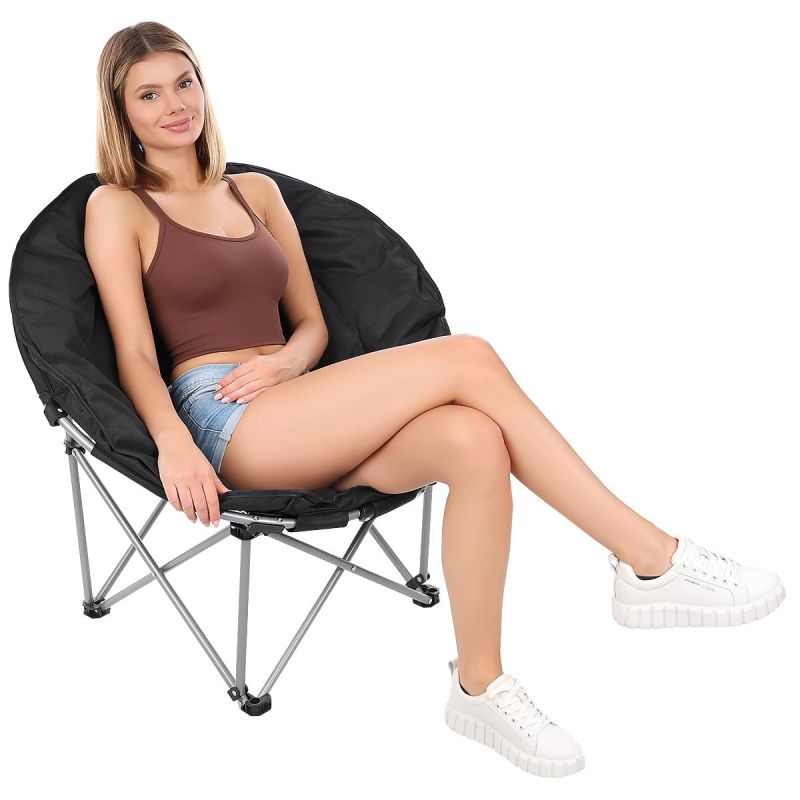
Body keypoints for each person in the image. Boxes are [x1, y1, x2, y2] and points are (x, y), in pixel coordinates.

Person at [82, 21, 785, 779]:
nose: (175, 105)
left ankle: (479, 684)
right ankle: (650, 559)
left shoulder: (256, 193)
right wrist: (174, 443)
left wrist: (286, 361)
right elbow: (135, 355)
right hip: (225, 415)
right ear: (122, 113)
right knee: (469, 357)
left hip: (304, 398)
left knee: (475, 439)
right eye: (148, 95)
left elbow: (311, 323)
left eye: (184, 82)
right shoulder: (117, 207)